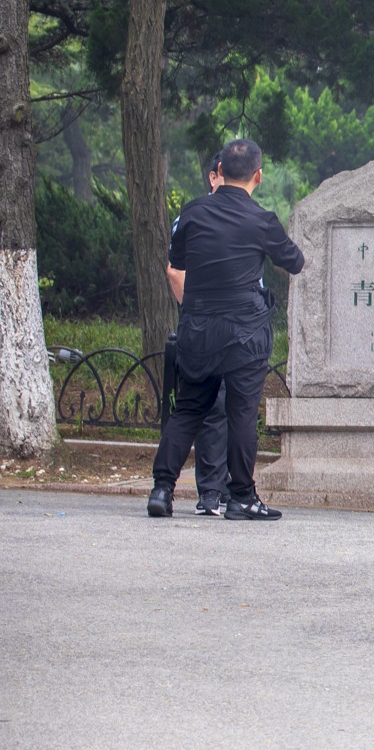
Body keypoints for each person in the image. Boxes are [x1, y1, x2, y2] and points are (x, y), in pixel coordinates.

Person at [147, 138, 304, 521]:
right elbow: (295, 261)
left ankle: (162, 490)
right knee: (241, 415)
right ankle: (242, 497)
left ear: (220, 172)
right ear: (258, 175)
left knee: (187, 410)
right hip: (244, 335)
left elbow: (178, 262)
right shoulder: (261, 220)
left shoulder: (193, 213)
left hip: (197, 330)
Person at [160, 151, 233, 515]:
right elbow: (175, 272)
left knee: (195, 407)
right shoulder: (242, 217)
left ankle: (164, 489)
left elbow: (175, 270)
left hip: (200, 323)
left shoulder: (190, 215)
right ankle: (213, 494)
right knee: (216, 408)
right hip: (224, 327)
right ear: (214, 176)